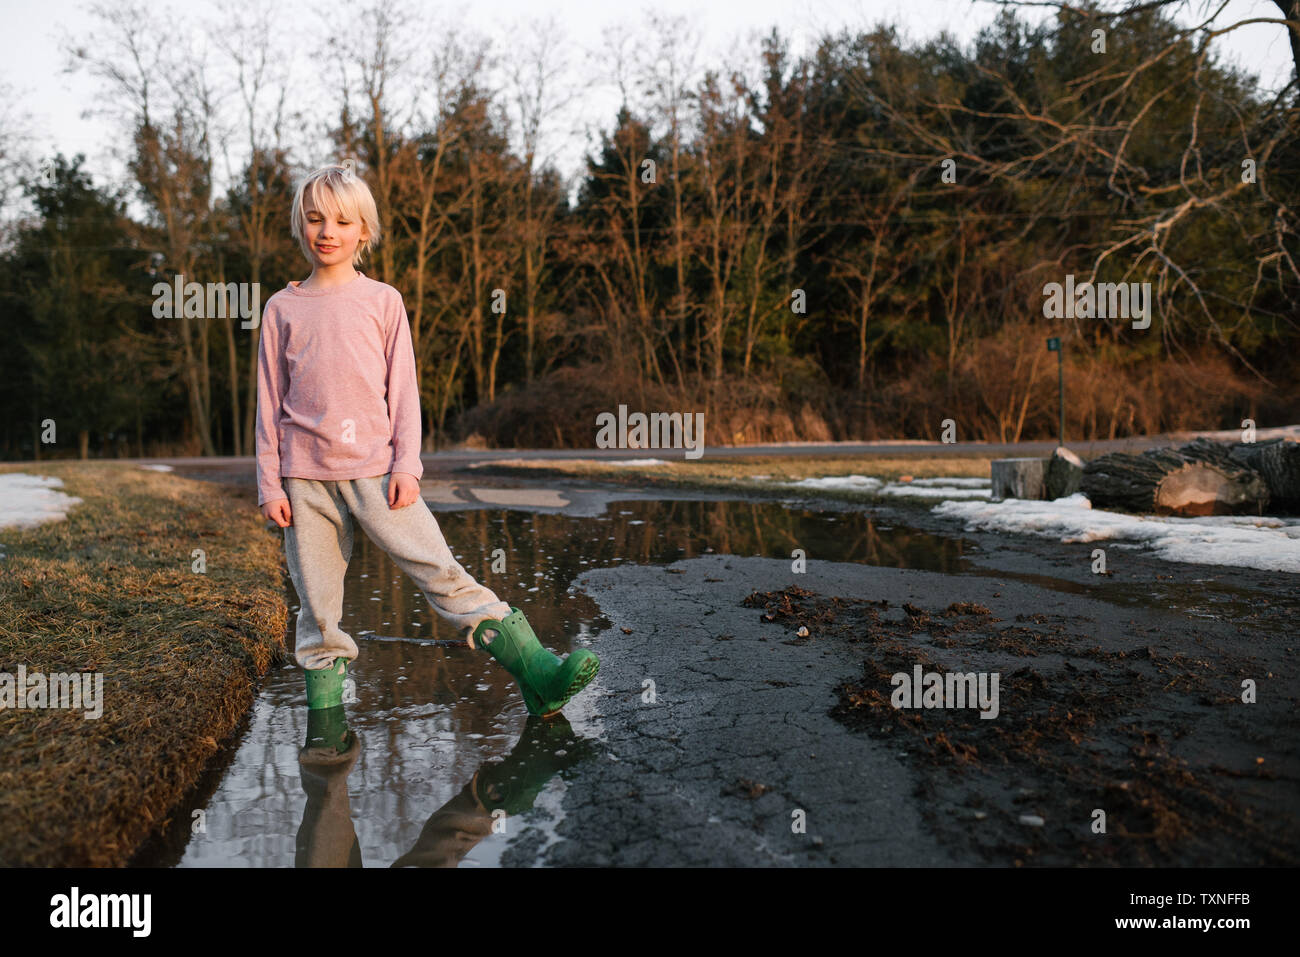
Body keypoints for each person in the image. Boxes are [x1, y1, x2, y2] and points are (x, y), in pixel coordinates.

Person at [254, 163, 597, 721]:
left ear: (363, 231)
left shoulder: (384, 301)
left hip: (377, 472)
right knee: (317, 602)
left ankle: (536, 671)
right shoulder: (281, 309)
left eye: (342, 221)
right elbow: (269, 404)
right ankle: (326, 721)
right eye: (315, 218)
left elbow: (404, 391)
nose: (327, 231)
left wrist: (407, 465)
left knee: (440, 568)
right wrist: (271, 483)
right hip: (305, 477)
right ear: (300, 224)